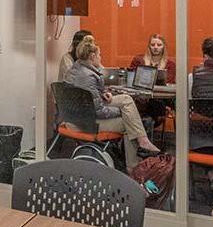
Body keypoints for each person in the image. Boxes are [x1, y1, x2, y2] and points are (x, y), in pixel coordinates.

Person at [65, 35, 161, 168]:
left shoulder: (77, 69)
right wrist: (121, 111)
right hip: (86, 123)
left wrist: (104, 93)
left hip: (75, 117)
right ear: (92, 57)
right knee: (128, 123)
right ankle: (133, 168)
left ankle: (142, 139)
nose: (101, 58)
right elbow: (99, 112)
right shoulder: (89, 77)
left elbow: (92, 98)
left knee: (126, 99)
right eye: (100, 55)